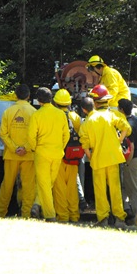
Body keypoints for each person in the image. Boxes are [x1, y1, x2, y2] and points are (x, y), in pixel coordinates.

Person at [79, 86, 132, 229]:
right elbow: (126, 128)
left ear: (95, 102)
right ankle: (120, 219)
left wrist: (92, 156)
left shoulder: (89, 120)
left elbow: (84, 144)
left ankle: (103, 219)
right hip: (114, 157)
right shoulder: (113, 115)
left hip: (98, 160)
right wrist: (119, 141)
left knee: (100, 190)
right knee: (115, 189)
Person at [27, 87, 70, 221]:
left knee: (44, 184)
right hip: (57, 153)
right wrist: (60, 147)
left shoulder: (37, 115)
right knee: (48, 182)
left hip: (42, 152)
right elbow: (66, 135)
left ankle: (49, 214)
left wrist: (35, 149)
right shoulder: (61, 114)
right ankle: (37, 203)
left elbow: (31, 137)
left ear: (39, 100)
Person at [0, 84, 36, 218]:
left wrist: (14, 148)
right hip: (28, 155)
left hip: (11, 155)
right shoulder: (34, 112)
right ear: (29, 96)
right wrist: (25, 148)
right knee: (28, 186)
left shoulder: (8, 111)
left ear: (16, 96)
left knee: (7, 185)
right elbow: (36, 135)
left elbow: (3, 133)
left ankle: (0, 213)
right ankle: (26, 214)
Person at [52, 88, 82, 223]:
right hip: (72, 157)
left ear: (55, 102)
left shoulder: (54, 116)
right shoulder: (75, 117)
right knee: (72, 188)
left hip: (58, 156)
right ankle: (74, 215)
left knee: (59, 188)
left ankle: (63, 216)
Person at [118, 98, 137, 226]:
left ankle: (136, 222)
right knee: (132, 189)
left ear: (122, 110)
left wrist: (127, 163)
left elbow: (131, 147)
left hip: (133, 160)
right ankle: (130, 217)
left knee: (135, 192)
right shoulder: (136, 120)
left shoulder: (128, 125)